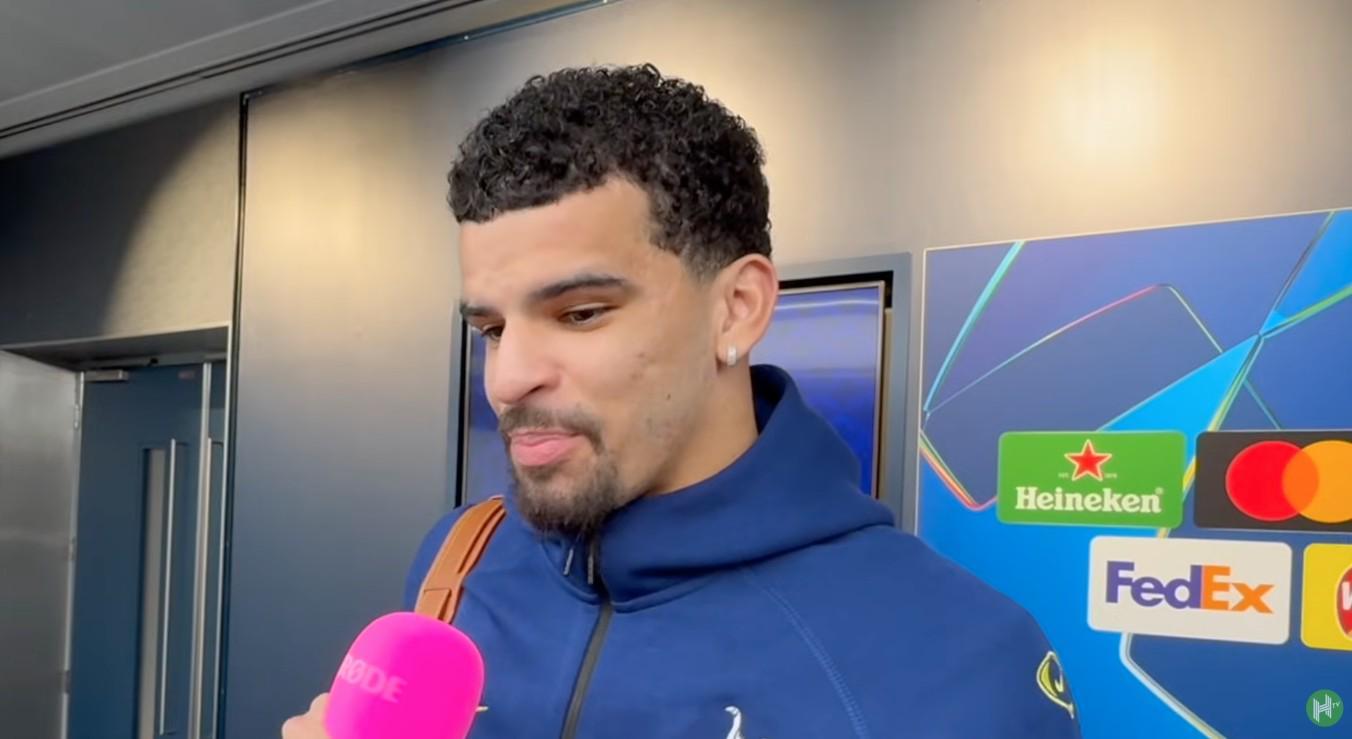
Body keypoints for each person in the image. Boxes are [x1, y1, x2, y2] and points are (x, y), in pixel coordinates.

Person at [284, 64, 1081, 739]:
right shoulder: (462, 556)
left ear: (736, 308)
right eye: (492, 327)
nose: (507, 379)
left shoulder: (957, 660)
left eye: (580, 313)